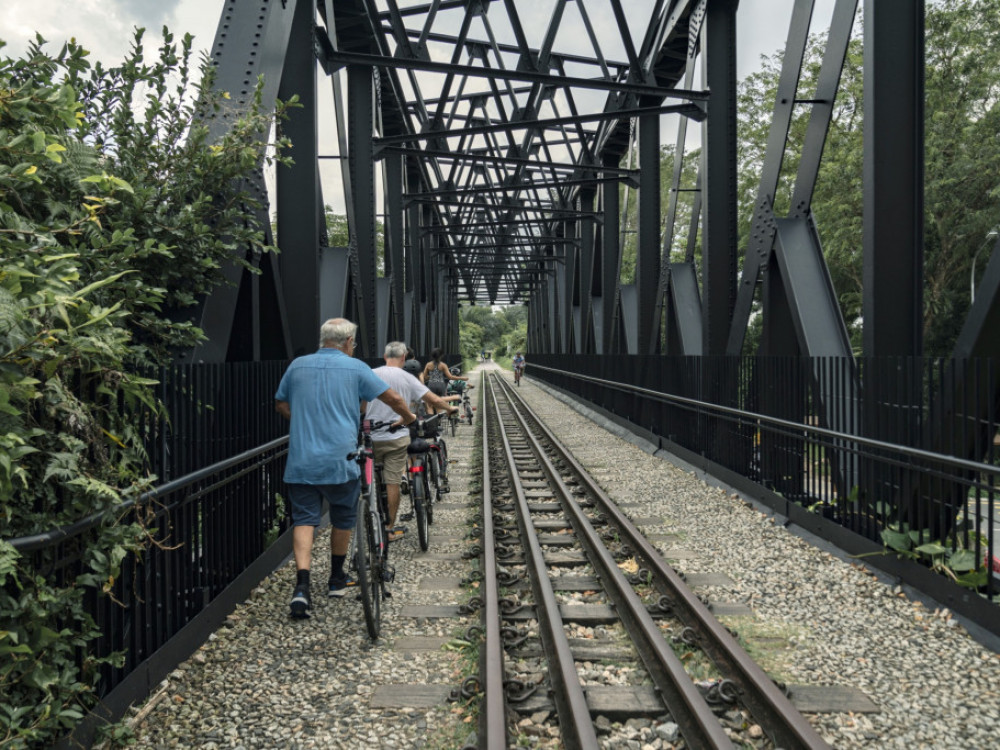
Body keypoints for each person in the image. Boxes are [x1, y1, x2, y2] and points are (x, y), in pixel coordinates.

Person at [275, 318, 416, 619]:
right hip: (341, 459)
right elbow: (391, 397)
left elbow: (282, 404)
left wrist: (304, 422)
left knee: (304, 519)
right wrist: (408, 418)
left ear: (323, 339)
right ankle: (336, 579)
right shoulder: (356, 368)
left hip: (302, 460)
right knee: (343, 517)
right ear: (349, 341)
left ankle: (301, 588)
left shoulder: (297, 366)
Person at [365, 342, 457, 542]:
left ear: (383, 355)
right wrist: (450, 409)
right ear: (404, 358)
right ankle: (389, 528)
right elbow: (432, 399)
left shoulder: (369, 374)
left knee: (371, 479)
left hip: (371, 436)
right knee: (393, 481)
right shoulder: (407, 377)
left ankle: (370, 515)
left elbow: (360, 404)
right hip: (396, 437)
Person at [420, 347, 468, 414]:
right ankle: (439, 420)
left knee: (430, 405)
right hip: (441, 386)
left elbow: (425, 376)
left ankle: (432, 421)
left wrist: (431, 377)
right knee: (439, 402)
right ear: (441, 356)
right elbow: (450, 377)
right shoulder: (443, 365)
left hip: (431, 385)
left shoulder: (428, 365)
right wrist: (462, 378)